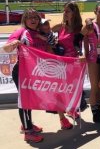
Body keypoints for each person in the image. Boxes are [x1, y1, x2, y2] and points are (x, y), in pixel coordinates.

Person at [2, 9, 70, 143]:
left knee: (30, 100)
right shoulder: (21, 32)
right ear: (24, 20)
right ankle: (28, 132)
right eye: (29, 18)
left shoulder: (41, 32)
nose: (33, 20)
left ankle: (27, 124)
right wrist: (13, 44)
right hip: (22, 71)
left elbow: (52, 46)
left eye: (35, 17)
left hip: (37, 72)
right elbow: (6, 48)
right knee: (25, 100)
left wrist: (49, 39)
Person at [52, 1, 87, 119]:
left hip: (74, 63)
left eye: (68, 11)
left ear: (74, 12)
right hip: (61, 63)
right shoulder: (60, 26)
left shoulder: (80, 29)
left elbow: (90, 27)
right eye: (64, 11)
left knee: (73, 89)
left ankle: (71, 109)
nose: (65, 13)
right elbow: (45, 31)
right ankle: (64, 113)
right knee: (62, 89)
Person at [81, 3, 100, 123]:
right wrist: (84, 53)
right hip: (93, 59)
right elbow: (81, 36)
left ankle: (98, 111)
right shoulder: (90, 25)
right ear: (95, 12)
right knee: (94, 87)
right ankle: (95, 113)